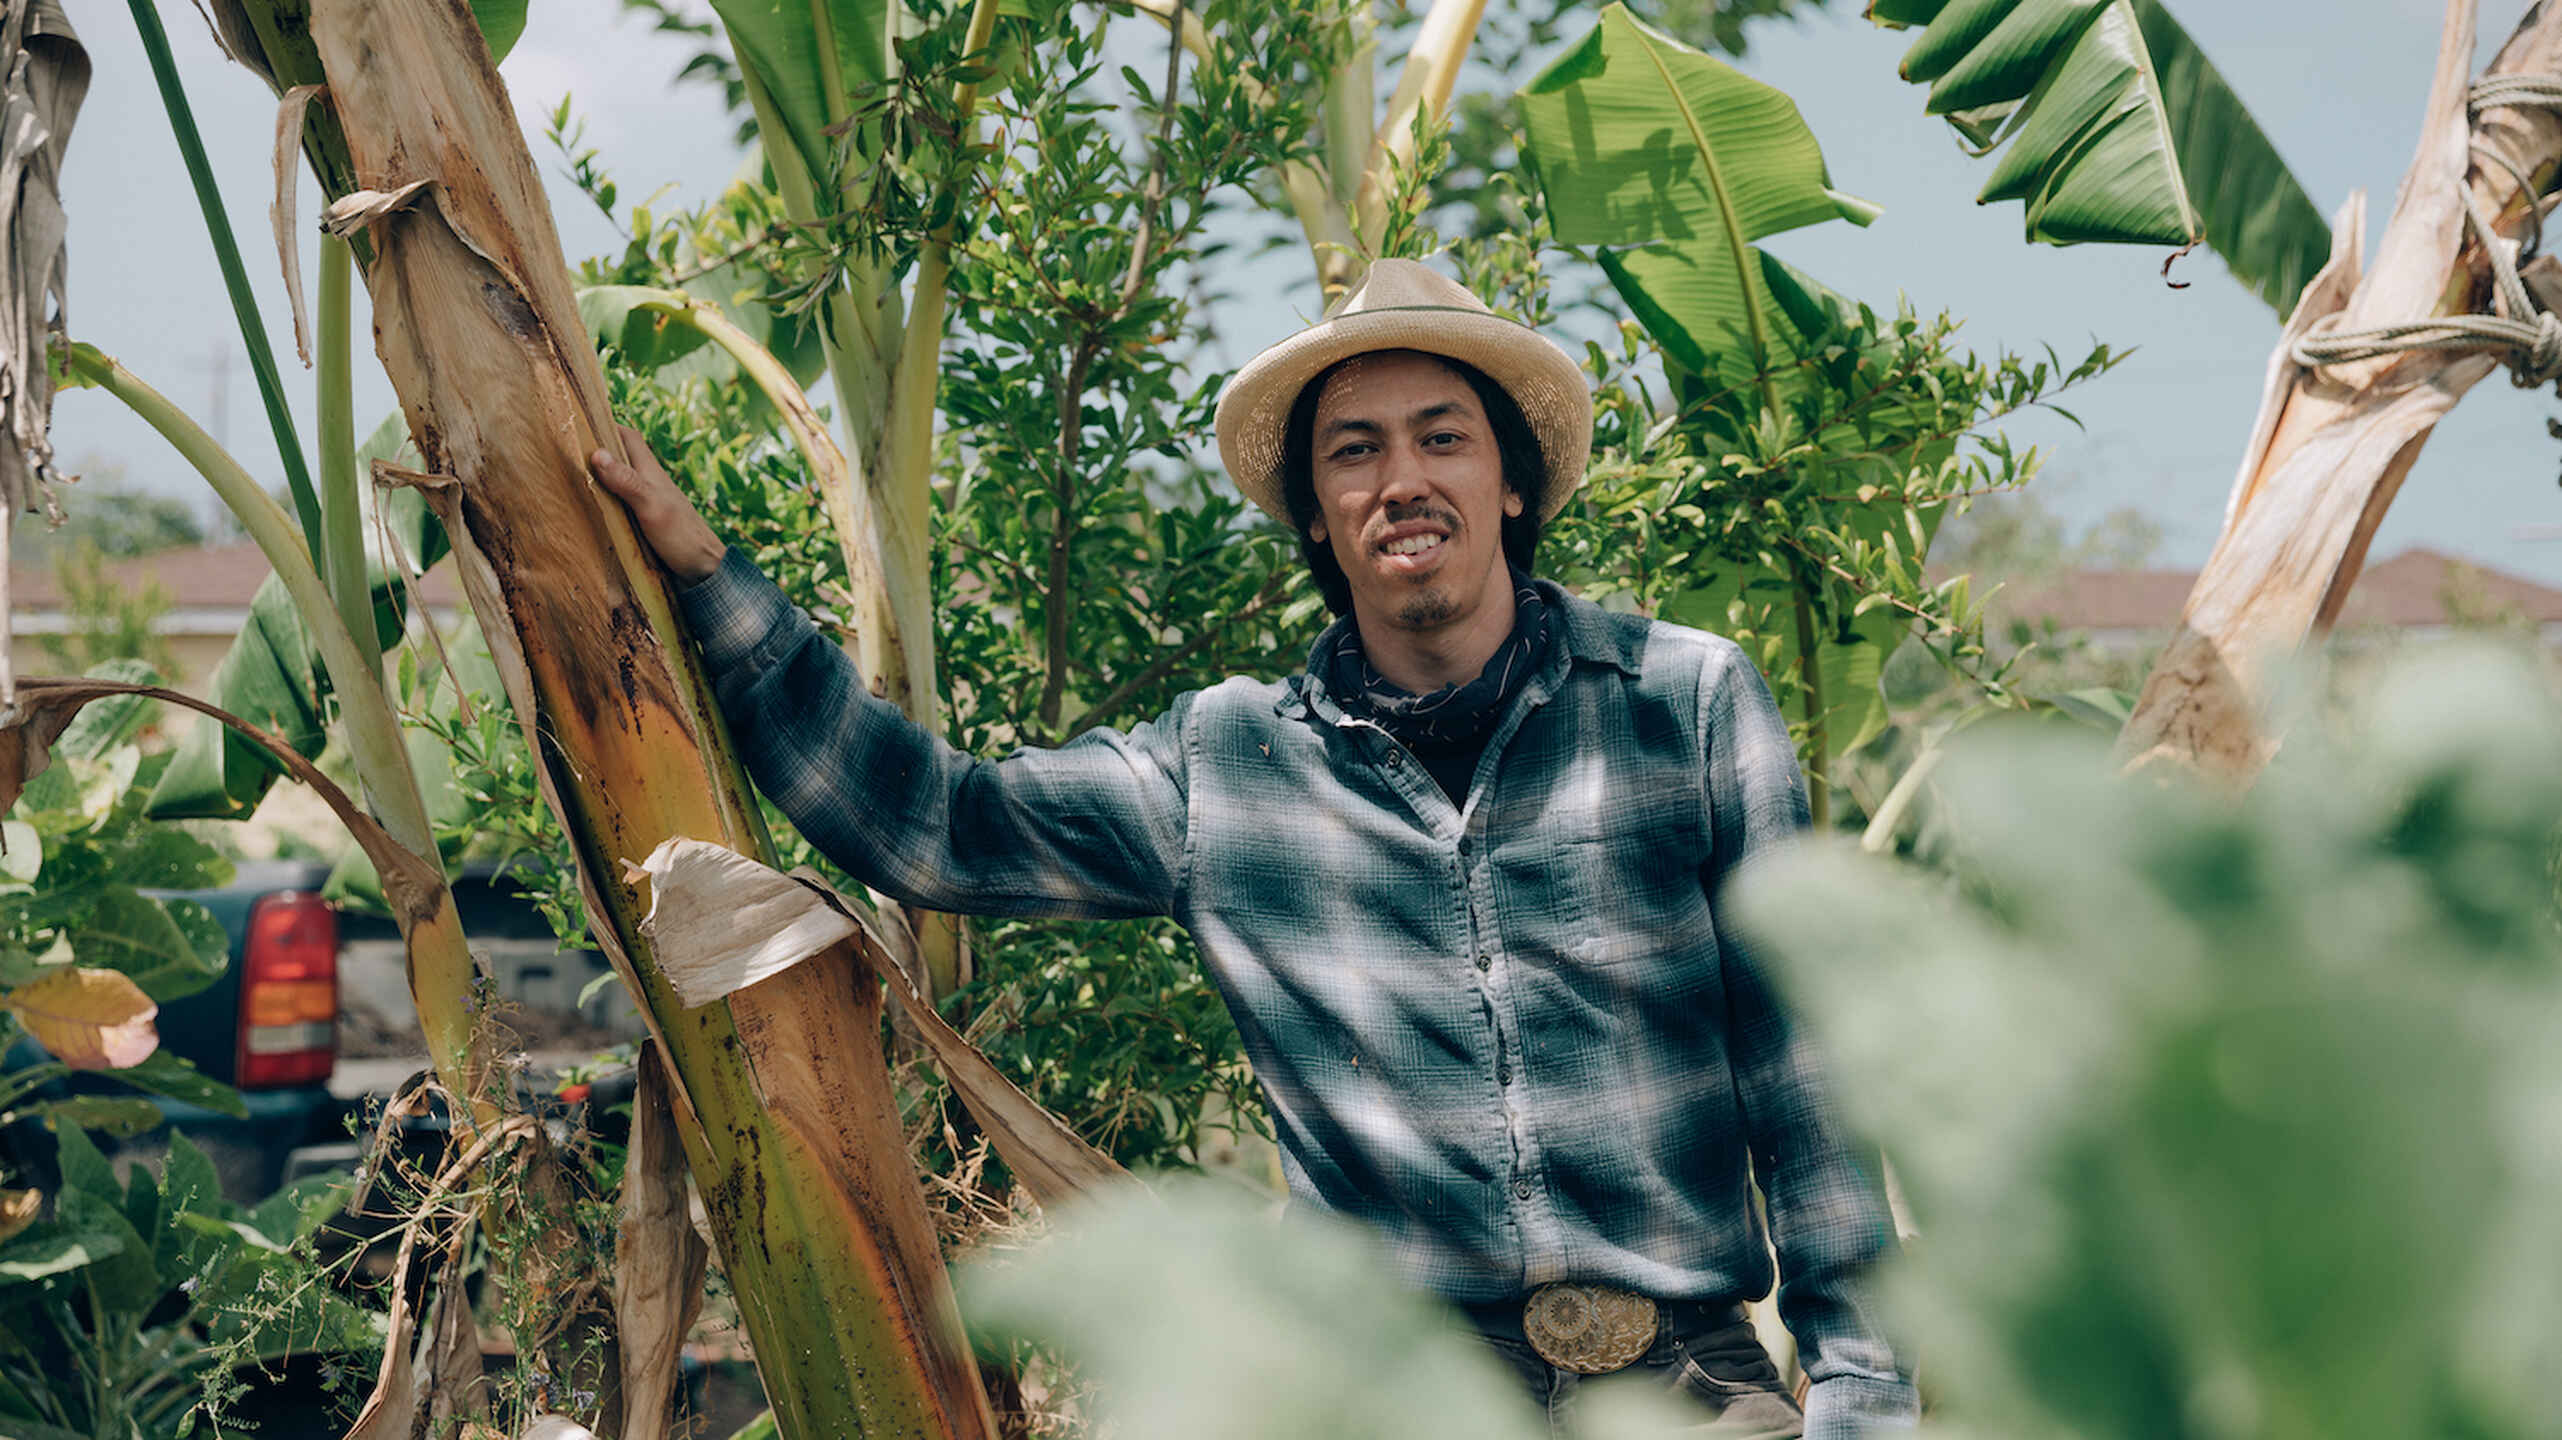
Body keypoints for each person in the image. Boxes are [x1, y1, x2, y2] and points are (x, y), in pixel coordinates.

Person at [591, 259, 1915, 1436]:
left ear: (1509, 483)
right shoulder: (1222, 766)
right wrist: (707, 576)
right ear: (1318, 515)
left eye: (1439, 437)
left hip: (1678, 1379)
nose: (1400, 478)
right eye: (1352, 452)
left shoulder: (1681, 703)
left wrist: (1859, 1387)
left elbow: (1803, 1066)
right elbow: (934, 827)